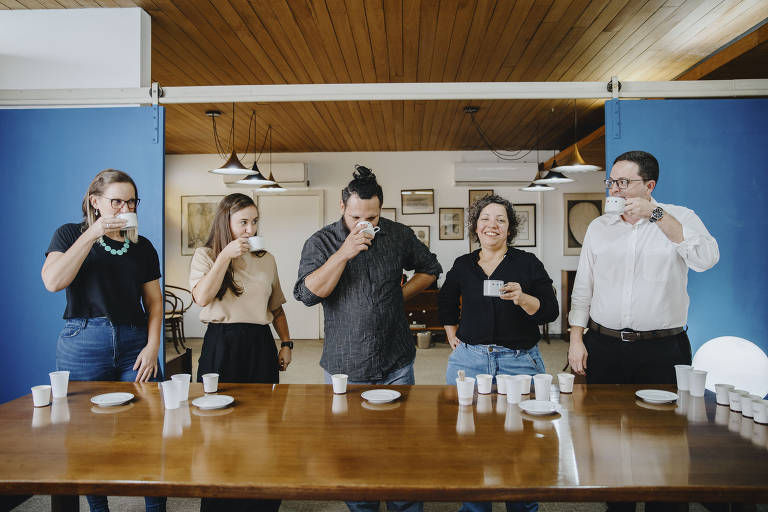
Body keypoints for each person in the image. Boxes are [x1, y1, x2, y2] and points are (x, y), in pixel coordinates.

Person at [567, 150, 719, 512]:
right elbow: (584, 286)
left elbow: (705, 258)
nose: (615, 189)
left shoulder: (680, 218)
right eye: (612, 181)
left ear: (649, 186)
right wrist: (576, 338)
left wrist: (656, 215)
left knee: (665, 441)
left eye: (624, 182)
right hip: (604, 345)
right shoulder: (599, 227)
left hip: (662, 349)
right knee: (606, 437)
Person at [294, 165, 442, 512]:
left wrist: (399, 296)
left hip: (395, 357)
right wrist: (344, 252)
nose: (366, 223)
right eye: (357, 215)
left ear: (381, 211)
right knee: (352, 451)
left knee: (400, 447)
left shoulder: (397, 235)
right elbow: (307, 294)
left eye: (373, 217)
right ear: (342, 207)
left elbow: (431, 268)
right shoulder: (321, 241)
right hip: (346, 363)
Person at [41, 169, 166, 512]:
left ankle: (155, 508)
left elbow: (155, 303)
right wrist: (93, 233)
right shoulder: (69, 234)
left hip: (134, 344)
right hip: (83, 342)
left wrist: (153, 345)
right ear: (95, 202)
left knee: (149, 429)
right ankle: (99, 508)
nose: (125, 207)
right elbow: (53, 281)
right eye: (117, 201)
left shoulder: (142, 246)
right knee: (85, 434)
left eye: (131, 201)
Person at [439, 194, 558, 512]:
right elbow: (446, 299)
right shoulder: (464, 265)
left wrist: (523, 298)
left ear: (509, 228)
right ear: (475, 227)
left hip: (518, 362)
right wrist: (452, 334)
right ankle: (476, 506)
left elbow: (550, 311)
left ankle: (521, 506)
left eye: (500, 220)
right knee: (468, 441)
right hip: (469, 360)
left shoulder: (527, 263)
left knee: (524, 444)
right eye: (485, 219)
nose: (492, 225)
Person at [189, 192, 292, 512]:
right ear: (226, 223)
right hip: (221, 342)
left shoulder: (267, 258)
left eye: (255, 221)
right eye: (243, 222)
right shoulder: (205, 255)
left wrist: (286, 343)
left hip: (259, 343)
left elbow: (276, 309)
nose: (250, 228)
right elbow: (202, 299)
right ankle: (218, 498)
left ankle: (262, 498)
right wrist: (224, 257)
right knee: (217, 424)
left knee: (264, 423)